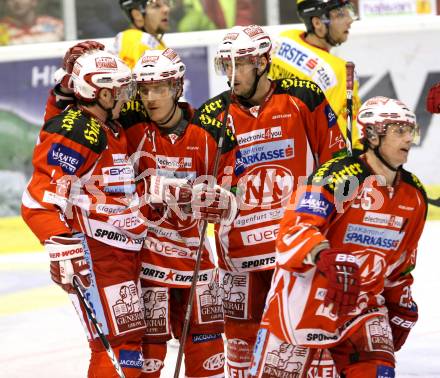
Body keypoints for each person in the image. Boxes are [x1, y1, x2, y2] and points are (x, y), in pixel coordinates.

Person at [193, 24, 347, 377]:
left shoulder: (304, 97)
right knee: (241, 349)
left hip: (293, 251)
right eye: (225, 66)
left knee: (299, 342)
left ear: (262, 62)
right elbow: (200, 179)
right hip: (239, 255)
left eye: (239, 65)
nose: (231, 75)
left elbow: (338, 163)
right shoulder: (211, 115)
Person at [250, 96, 426, 377]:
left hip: (362, 308)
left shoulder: (414, 196)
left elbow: (401, 264)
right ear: (371, 135)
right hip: (301, 308)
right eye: (398, 130)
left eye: (410, 130)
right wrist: (323, 253)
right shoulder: (339, 176)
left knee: (377, 370)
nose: (408, 139)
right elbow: (294, 227)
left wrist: (400, 305)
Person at [22, 49, 148, 377]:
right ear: (102, 93)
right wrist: (61, 243)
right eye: (120, 91)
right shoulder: (80, 130)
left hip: (122, 254)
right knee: (118, 346)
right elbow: (38, 200)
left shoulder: (107, 126)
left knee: (129, 343)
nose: (126, 97)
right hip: (97, 254)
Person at [121, 47, 243, 377]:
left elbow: (235, 196)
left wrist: (222, 202)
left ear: (177, 88)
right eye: (144, 90)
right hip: (148, 266)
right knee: (149, 356)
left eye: (159, 88)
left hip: (197, 266)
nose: (150, 98)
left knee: (208, 353)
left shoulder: (212, 134)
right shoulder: (130, 132)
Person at [269, 0, 362, 151]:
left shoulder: (284, 38)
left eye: (348, 12)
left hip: (272, 143)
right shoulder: (339, 71)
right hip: (309, 155)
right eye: (340, 15)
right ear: (317, 23)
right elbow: (350, 137)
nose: (349, 20)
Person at [114, 0, 171, 68]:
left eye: (166, 3)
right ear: (137, 15)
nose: (166, 9)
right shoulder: (138, 40)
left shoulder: (155, 41)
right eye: (156, 6)